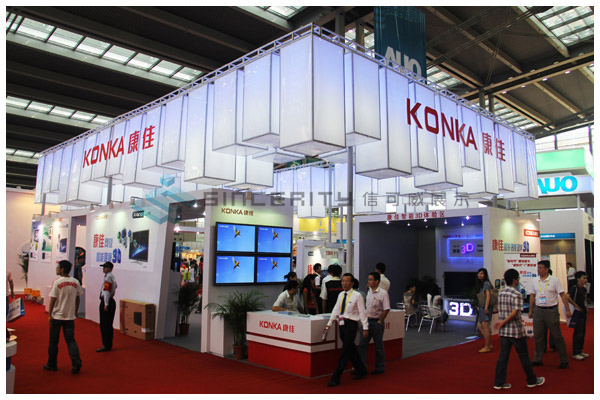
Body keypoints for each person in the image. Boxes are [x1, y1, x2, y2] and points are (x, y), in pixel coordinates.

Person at [493, 268, 545, 390]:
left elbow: (501, 310)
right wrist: (503, 322)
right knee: (524, 356)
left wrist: (501, 323)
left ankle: (498, 382)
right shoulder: (517, 294)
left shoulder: (501, 293)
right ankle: (532, 380)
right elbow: (514, 313)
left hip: (504, 332)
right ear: (514, 280)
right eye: (518, 279)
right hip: (516, 331)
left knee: (503, 357)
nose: (518, 281)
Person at [323, 273, 369, 387]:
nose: (344, 283)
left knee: (345, 351)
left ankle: (336, 377)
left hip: (351, 324)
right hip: (342, 324)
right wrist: (329, 323)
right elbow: (336, 309)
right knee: (350, 348)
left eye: (347, 281)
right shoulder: (341, 294)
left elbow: (362, 312)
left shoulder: (357, 295)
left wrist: (365, 327)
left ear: (352, 283)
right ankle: (361, 370)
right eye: (343, 281)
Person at [528, 260, 571, 369]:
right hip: (538, 310)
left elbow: (563, 295)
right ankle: (537, 359)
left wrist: (568, 310)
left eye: (541, 268)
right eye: (538, 268)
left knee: (557, 336)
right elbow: (532, 296)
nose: (538, 270)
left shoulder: (555, 280)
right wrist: (531, 310)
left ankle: (564, 360)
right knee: (538, 336)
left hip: (551, 311)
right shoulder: (534, 280)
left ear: (547, 269)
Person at [44, 260, 83, 374]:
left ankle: (51, 364)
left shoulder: (57, 282)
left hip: (57, 316)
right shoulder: (75, 282)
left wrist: (49, 314)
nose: (56, 269)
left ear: (62, 269)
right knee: (71, 340)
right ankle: (76, 362)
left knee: (53, 342)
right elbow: (78, 298)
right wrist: (75, 311)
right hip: (69, 317)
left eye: (58, 267)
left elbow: (53, 299)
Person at [358, 272, 390, 375]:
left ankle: (380, 367)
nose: (368, 281)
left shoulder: (383, 293)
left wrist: (380, 320)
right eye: (368, 279)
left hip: (377, 322)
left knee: (378, 345)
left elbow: (386, 308)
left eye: (370, 279)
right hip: (367, 321)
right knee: (362, 345)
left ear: (376, 281)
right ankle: (361, 367)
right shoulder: (368, 291)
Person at [568, 271, 589, 361]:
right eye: (584, 278)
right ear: (578, 279)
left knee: (582, 332)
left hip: (583, 312)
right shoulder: (574, 288)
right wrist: (575, 305)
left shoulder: (584, 289)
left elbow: (584, 300)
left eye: (586, 278)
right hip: (577, 313)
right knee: (578, 333)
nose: (585, 280)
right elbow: (567, 296)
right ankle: (575, 352)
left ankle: (580, 350)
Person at [97, 261, 117, 352]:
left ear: (110, 268)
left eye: (105, 267)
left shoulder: (108, 277)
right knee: (107, 324)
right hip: (109, 301)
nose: (103, 269)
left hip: (107, 301)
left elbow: (106, 291)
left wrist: (106, 303)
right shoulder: (111, 277)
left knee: (105, 324)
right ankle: (108, 344)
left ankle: (106, 344)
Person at [476, 267, 493, 353]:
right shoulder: (482, 283)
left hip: (485, 307)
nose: (479, 275)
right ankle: (488, 343)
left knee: (485, 326)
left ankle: (487, 346)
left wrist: (486, 307)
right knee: (480, 325)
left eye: (481, 273)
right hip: (482, 307)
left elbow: (488, 296)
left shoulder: (486, 283)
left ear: (485, 275)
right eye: (479, 273)